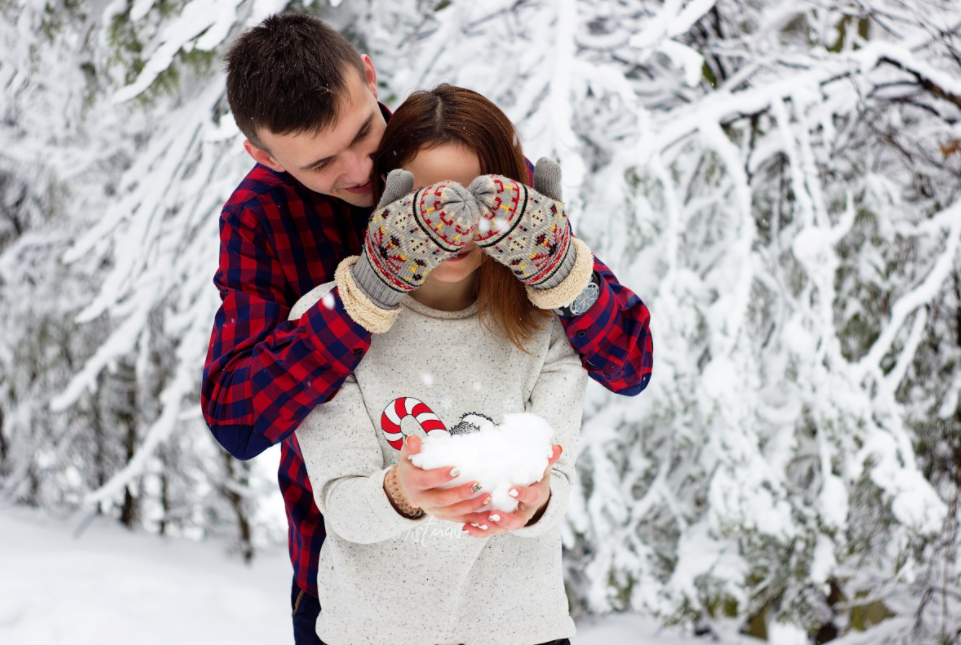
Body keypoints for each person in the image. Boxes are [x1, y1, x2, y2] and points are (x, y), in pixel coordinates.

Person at [200, 13, 653, 644]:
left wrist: (561, 269)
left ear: (367, 72)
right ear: (264, 156)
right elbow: (238, 418)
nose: (361, 170)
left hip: (505, 594)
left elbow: (629, 363)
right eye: (322, 163)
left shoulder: (451, 155)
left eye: (363, 133)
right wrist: (364, 298)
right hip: (352, 584)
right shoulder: (261, 219)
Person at [290, 83, 586, 645]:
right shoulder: (328, 321)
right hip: (372, 632)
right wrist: (402, 492)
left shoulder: (548, 324)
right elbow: (342, 505)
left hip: (522, 628)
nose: (453, 225)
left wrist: (536, 501)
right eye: (430, 201)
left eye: (477, 198)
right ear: (389, 200)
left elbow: (560, 485)